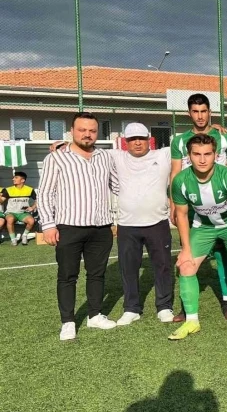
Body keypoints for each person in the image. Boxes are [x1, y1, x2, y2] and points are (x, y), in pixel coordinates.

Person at [49, 123, 175, 324]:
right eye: (132, 139)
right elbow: (85, 148)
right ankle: (131, 308)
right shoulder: (114, 156)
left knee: (163, 266)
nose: (137, 143)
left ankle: (164, 306)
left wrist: (216, 129)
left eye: (141, 138)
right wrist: (64, 144)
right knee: (128, 268)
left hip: (158, 222)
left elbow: (190, 141)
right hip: (127, 224)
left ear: (149, 139)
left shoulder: (164, 154)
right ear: (125, 142)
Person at [38, 112, 119, 341]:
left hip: (101, 227)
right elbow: (45, 193)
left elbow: (116, 186)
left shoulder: (105, 157)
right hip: (69, 227)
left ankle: (95, 315)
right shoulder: (56, 158)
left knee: (97, 274)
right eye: (82, 130)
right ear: (72, 131)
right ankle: (68, 321)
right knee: (67, 276)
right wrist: (48, 225)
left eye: (92, 130)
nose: (87, 134)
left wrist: (120, 217)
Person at [169, 134, 227, 340]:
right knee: (186, 265)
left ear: (215, 155)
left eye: (207, 154)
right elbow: (181, 215)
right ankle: (192, 321)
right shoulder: (180, 180)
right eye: (197, 154)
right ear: (189, 156)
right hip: (203, 226)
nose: (202, 159)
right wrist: (186, 249)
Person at [170, 93, 227, 321]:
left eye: (203, 111)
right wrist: (172, 204)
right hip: (193, 207)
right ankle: (186, 307)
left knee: (224, 255)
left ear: (210, 112)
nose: (200, 116)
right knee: (187, 256)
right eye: (195, 111)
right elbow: (175, 172)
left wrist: (220, 180)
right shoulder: (179, 141)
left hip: (221, 206)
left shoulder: (223, 136)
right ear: (189, 113)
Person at [0, 171, 37, 246]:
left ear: (22, 180)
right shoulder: (8, 190)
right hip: (11, 212)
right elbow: (1, 201)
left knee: (31, 221)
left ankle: (24, 236)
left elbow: (39, 199)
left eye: (16, 178)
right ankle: (13, 239)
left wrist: (32, 207)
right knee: (10, 219)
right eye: (13, 178)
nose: (13, 179)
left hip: (23, 213)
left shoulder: (29, 189)